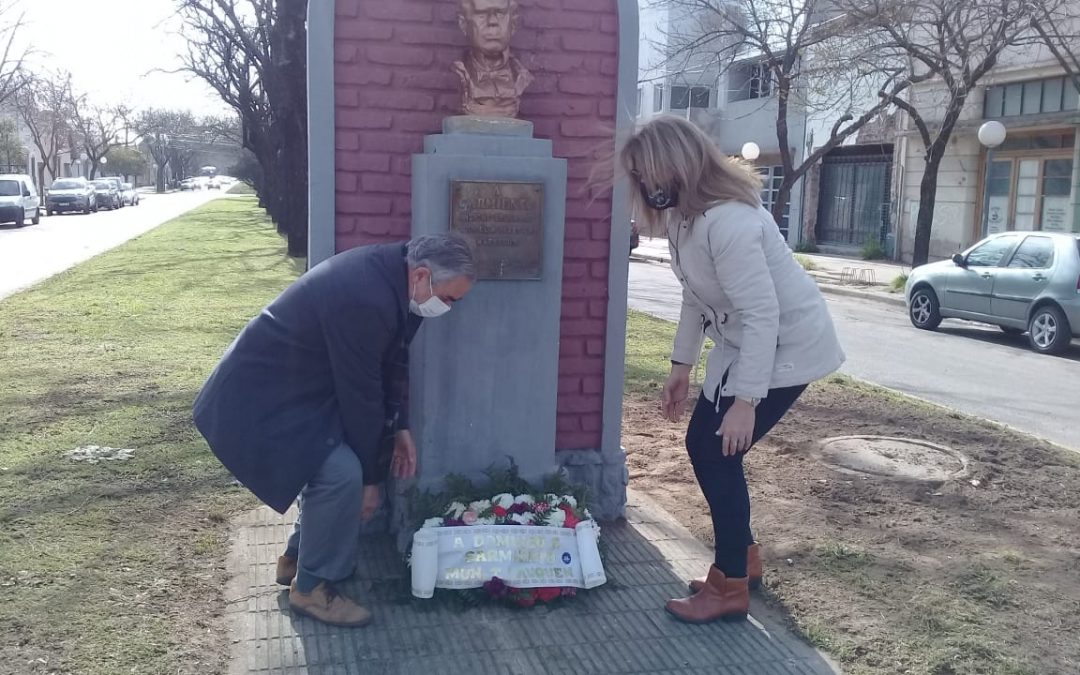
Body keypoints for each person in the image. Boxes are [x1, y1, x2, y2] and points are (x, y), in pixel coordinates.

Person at [619, 116, 845, 624]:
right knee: (706, 445)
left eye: (645, 175)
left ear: (674, 167)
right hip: (744, 346)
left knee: (715, 451)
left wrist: (746, 403)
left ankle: (729, 585)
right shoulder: (685, 217)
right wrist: (682, 365)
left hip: (786, 349)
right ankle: (742, 558)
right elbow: (696, 297)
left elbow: (764, 315)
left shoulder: (730, 222)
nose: (643, 188)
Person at [193, 234, 476, 627]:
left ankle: (296, 560)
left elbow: (390, 363)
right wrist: (371, 480)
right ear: (424, 275)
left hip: (295, 389)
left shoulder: (399, 282)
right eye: (449, 299)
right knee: (343, 473)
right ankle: (311, 588)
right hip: (259, 394)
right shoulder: (368, 297)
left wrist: (401, 427)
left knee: (337, 465)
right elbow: (362, 396)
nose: (448, 308)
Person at [452, 0, 533, 117]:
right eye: (481, 14)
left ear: (513, 24)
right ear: (464, 24)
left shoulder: (522, 77)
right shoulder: (459, 73)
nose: (492, 22)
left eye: (500, 13)